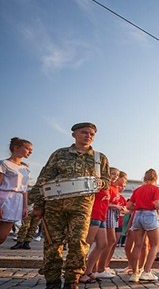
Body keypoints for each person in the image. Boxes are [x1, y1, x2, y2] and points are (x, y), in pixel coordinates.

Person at [29, 122, 110, 289]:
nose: (88, 136)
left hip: (82, 208)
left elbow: (107, 182)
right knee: (53, 243)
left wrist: (100, 182)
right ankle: (53, 281)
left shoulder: (99, 158)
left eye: (92, 134)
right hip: (54, 206)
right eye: (84, 132)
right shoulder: (60, 154)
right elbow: (44, 179)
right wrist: (38, 204)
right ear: (74, 134)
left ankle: (72, 280)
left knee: (79, 243)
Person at [127, 169, 159, 282]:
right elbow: (157, 204)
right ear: (155, 178)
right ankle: (146, 271)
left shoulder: (137, 189)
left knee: (137, 245)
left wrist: (138, 207)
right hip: (149, 215)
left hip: (138, 215)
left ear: (145, 177)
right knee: (156, 243)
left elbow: (129, 205)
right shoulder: (156, 189)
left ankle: (134, 273)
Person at [78, 175, 112, 284]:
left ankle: (89, 270)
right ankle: (80, 272)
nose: (114, 177)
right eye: (112, 174)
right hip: (94, 215)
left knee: (103, 244)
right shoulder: (95, 183)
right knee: (87, 243)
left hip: (101, 217)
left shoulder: (107, 186)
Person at [0, 137, 33, 245]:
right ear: (16, 148)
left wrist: (25, 207)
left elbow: (25, 189)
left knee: (2, 237)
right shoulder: (4, 163)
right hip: (4, 198)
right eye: (28, 148)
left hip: (17, 200)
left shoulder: (25, 168)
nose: (30, 151)